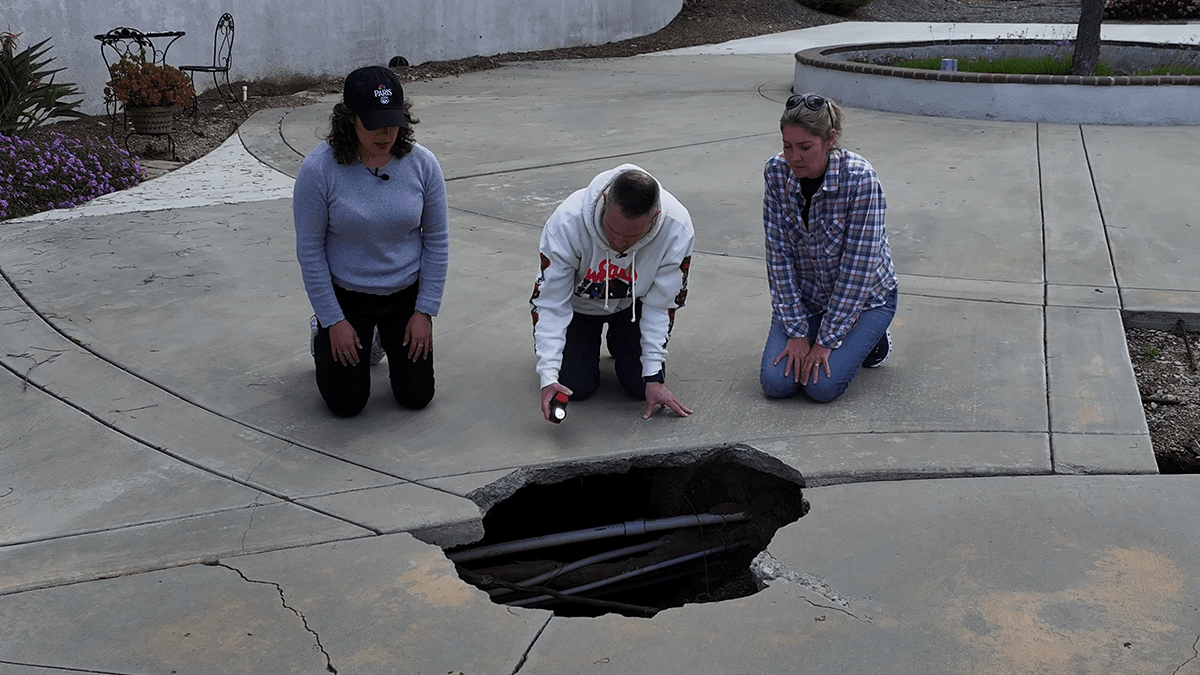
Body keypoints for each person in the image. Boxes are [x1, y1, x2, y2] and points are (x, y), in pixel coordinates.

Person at [293, 65, 449, 417]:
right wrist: (332, 319)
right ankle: (322, 335)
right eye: (374, 123)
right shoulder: (319, 170)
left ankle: (379, 339)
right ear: (350, 119)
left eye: (393, 121)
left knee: (416, 397)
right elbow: (310, 250)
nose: (386, 133)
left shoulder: (424, 165)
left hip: (405, 294)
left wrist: (425, 310)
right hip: (346, 296)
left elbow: (437, 241)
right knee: (346, 405)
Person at [760, 93, 898, 403]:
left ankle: (874, 339)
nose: (794, 157)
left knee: (820, 388)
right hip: (809, 297)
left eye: (805, 147)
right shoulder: (775, 173)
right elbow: (777, 257)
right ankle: (829, 333)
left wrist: (825, 342)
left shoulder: (861, 180)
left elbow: (857, 272)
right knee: (775, 384)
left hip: (865, 300)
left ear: (830, 139)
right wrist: (796, 332)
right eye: (787, 146)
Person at [531, 165, 695, 421]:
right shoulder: (567, 221)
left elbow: (663, 304)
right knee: (578, 388)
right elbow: (550, 302)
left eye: (632, 237)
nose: (618, 243)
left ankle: (621, 340)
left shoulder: (677, 228)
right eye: (612, 230)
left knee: (641, 388)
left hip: (633, 307)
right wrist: (548, 375)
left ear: (655, 217)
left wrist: (653, 375)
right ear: (605, 201)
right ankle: (588, 345)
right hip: (578, 309)